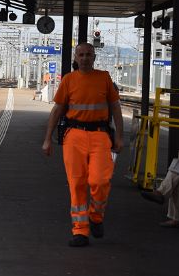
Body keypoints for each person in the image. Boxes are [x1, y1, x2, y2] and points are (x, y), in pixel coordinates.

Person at [41, 43, 124, 247]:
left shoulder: (104, 78)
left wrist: (120, 137)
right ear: (76, 58)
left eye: (89, 54)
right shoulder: (69, 80)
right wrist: (47, 139)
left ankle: (96, 216)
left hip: (100, 135)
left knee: (100, 181)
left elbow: (115, 109)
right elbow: (57, 110)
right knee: (77, 184)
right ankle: (80, 231)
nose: (85, 58)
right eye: (81, 55)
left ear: (94, 57)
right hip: (74, 136)